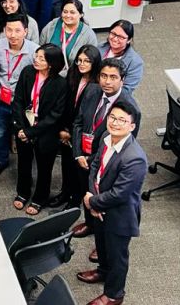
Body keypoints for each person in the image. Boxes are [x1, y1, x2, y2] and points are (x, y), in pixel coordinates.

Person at [76, 100, 148, 305]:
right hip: (99, 206)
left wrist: (93, 202)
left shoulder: (135, 158)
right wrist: (91, 195)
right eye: (112, 118)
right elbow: (95, 166)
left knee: (118, 256)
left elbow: (120, 194)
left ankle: (114, 295)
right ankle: (102, 271)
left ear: (132, 126)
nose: (115, 123)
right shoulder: (107, 137)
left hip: (119, 214)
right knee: (102, 244)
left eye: (122, 120)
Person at [72, 59, 141, 240]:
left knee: (104, 199)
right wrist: (78, 153)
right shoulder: (92, 90)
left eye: (113, 77)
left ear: (122, 80)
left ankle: (102, 239)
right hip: (83, 156)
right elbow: (78, 122)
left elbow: (124, 144)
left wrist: (92, 158)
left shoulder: (130, 108)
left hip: (105, 162)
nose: (107, 82)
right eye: (103, 76)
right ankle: (89, 223)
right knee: (86, 191)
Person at [11, 43, 68, 215]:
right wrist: (21, 128)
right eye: (36, 56)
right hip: (24, 127)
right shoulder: (27, 72)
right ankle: (22, 192)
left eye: (42, 58)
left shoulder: (60, 84)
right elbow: (18, 100)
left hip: (45, 132)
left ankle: (39, 198)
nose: (36, 60)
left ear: (51, 63)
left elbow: (55, 115)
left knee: (44, 168)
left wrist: (31, 132)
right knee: (24, 162)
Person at [49, 45, 103, 209]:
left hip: (82, 133)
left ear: (95, 63)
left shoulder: (97, 85)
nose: (82, 64)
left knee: (79, 171)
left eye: (87, 61)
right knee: (66, 164)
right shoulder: (72, 76)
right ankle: (65, 193)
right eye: (79, 60)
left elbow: (88, 116)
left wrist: (73, 133)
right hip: (67, 129)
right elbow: (64, 104)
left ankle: (74, 200)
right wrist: (63, 129)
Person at [0, 14, 38, 179]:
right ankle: (1, 160)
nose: (13, 34)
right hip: (1, 100)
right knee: (0, 133)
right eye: (9, 30)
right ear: (4, 30)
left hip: (23, 103)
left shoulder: (35, 51)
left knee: (23, 135)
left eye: (17, 30)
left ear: (26, 31)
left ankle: (25, 170)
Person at [40, 0, 98, 74]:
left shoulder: (88, 35)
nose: (68, 15)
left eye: (72, 12)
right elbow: (40, 47)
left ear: (81, 15)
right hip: (46, 71)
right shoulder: (51, 26)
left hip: (72, 76)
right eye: (65, 12)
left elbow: (90, 62)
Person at [98, 20, 144, 95]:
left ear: (129, 40)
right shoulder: (100, 47)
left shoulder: (135, 62)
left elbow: (127, 89)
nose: (115, 39)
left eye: (121, 37)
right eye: (113, 34)